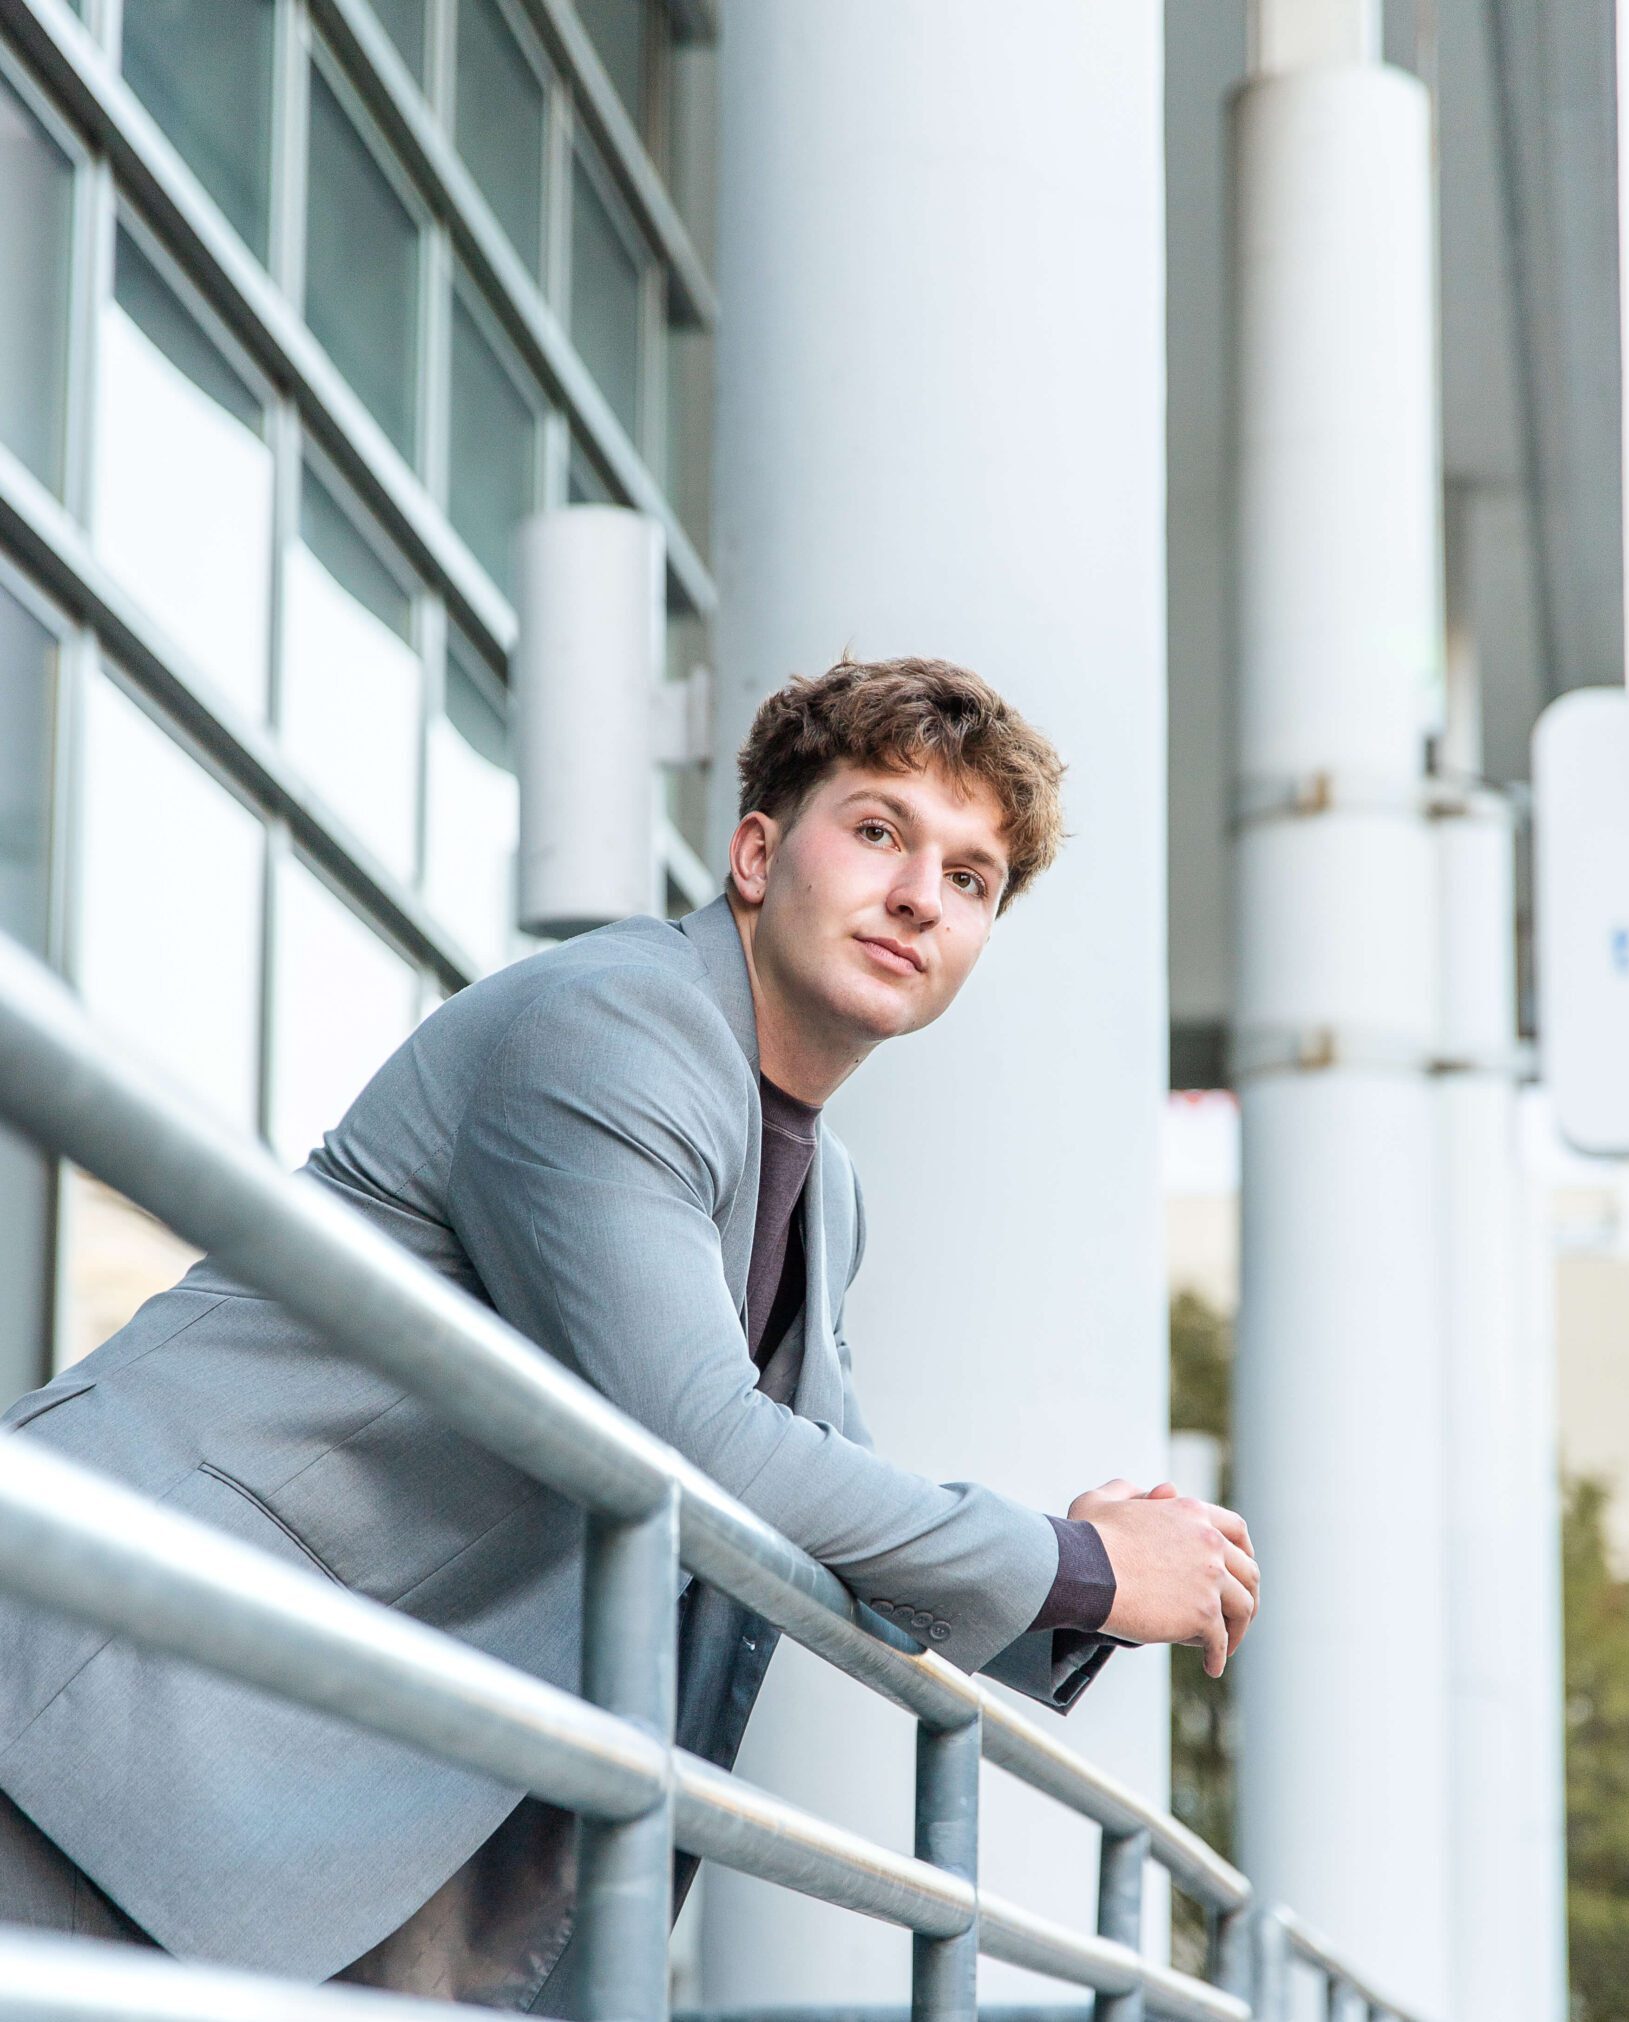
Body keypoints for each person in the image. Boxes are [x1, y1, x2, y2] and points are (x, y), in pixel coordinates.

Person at [0, 657, 1259, 2008]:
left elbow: (821, 1517)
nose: (917, 896)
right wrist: (1080, 1568)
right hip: (110, 1684)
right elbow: (705, 1446)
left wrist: (1085, 1579)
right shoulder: (610, 1027)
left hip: (265, 1753)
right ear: (758, 852)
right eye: (881, 828)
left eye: (969, 877)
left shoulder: (822, 1188)